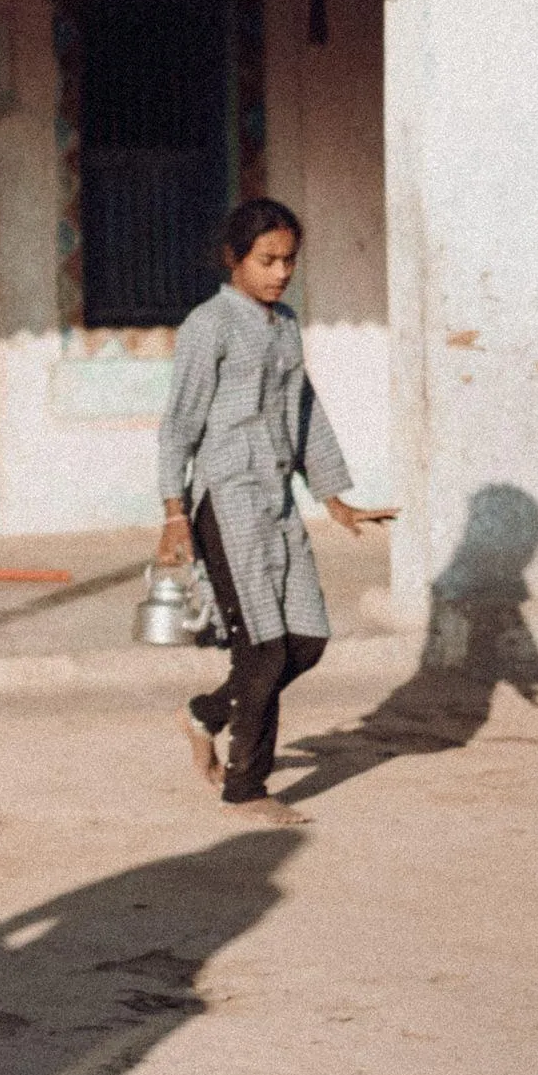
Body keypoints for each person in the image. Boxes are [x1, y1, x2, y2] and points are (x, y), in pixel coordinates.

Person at [156, 197, 396, 812]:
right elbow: (179, 425)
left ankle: (204, 714)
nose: (281, 272)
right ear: (234, 259)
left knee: (307, 640)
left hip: (278, 502)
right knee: (261, 650)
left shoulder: (285, 324)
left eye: (290, 261)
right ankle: (246, 789)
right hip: (226, 503)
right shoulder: (207, 325)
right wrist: (174, 514)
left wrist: (333, 497)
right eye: (268, 260)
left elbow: (305, 411)